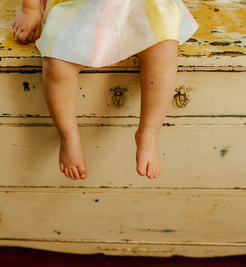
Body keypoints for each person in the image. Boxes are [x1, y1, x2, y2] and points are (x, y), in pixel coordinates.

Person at [12, 0, 199, 180]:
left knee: (164, 49)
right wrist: (30, 9)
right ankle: (68, 135)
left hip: (140, 4)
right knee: (57, 62)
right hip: (80, 5)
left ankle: (149, 132)